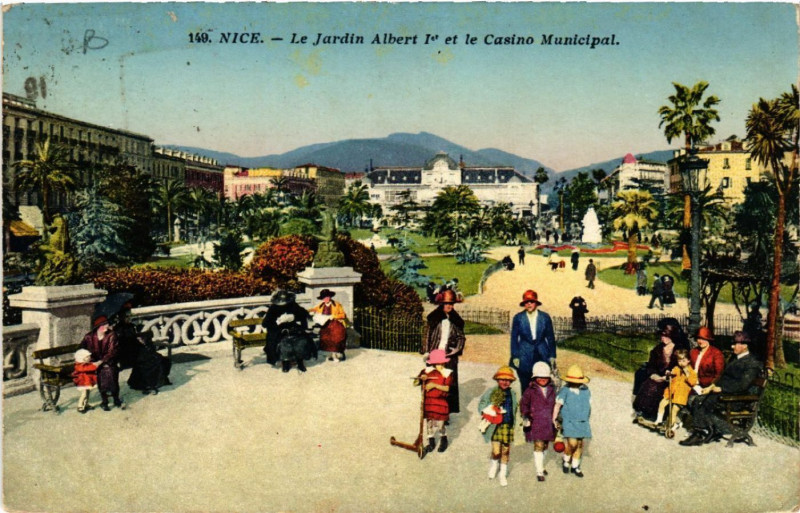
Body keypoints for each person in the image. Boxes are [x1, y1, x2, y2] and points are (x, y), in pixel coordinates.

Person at [680, 331, 763, 446]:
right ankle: (709, 429)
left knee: (701, 401)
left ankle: (699, 434)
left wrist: (721, 389)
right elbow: (723, 376)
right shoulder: (736, 358)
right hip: (726, 394)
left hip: (737, 399)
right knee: (699, 399)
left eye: (735, 344)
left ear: (744, 346)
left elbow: (743, 385)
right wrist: (711, 386)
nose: (732, 346)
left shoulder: (751, 363)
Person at [421, 289, 466, 414]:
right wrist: (426, 351)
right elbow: (427, 335)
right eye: (446, 304)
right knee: (433, 381)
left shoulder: (456, 320)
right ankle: (431, 410)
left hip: (449, 356)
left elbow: (461, 338)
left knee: (447, 383)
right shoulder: (433, 318)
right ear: (441, 304)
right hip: (434, 355)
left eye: (451, 304)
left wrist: (455, 350)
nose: (449, 306)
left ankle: (445, 412)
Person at [114, 302, 171, 395]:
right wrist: (135, 340)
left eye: (130, 316)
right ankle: (148, 385)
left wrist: (139, 338)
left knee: (158, 358)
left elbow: (134, 338)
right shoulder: (118, 329)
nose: (129, 318)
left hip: (136, 349)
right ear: (121, 317)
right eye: (127, 317)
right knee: (149, 362)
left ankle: (157, 382)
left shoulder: (131, 326)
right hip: (127, 353)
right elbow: (124, 343)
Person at [633, 323, 684, 421]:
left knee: (657, 388)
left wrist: (670, 375)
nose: (663, 338)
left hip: (673, 378)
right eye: (662, 335)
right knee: (649, 384)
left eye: (666, 336)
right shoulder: (657, 349)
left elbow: (681, 365)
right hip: (658, 376)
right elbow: (651, 365)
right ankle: (643, 411)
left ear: (671, 336)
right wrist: (653, 375)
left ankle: (657, 415)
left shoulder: (679, 349)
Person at [479, 365, 519, 487]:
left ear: (511, 381)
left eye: (508, 380)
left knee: (506, 450)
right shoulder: (491, 392)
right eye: (502, 379)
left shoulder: (513, 393)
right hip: (495, 425)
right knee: (496, 451)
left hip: (507, 425)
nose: (505, 382)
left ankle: (503, 473)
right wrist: (488, 410)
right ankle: (494, 466)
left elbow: (516, 408)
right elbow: (482, 404)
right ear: (497, 380)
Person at [510, 290, 557, 393]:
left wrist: (552, 355)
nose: (529, 304)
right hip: (524, 353)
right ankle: (526, 405)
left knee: (542, 379)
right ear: (524, 304)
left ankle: (540, 404)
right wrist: (515, 356)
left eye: (531, 301)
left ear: (536, 303)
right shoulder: (518, 318)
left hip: (542, 352)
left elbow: (550, 337)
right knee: (525, 381)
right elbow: (514, 338)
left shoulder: (545, 317)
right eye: (526, 302)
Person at [553, 364, 592, 478]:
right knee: (572, 443)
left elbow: (588, 406)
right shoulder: (565, 390)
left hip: (582, 421)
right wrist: (554, 419)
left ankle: (575, 466)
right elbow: (557, 405)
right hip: (569, 420)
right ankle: (566, 460)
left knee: (579, 444)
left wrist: (587, 417)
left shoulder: (586, 390)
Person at [520, 362, 557, 482]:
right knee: (539, 445)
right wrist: (526, 414)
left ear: (549, 378)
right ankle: (539, 471)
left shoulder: (552, 390)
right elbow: (523, 404)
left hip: (548, 423)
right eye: (539, 377)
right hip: (536, 422)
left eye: (545, 377)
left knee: (546, 445)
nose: (542, 380)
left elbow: (556, 405)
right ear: (535, 378)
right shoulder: (530, 391)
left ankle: (542, 466)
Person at [80, 314, 122, 411]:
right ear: (98, 327)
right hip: (94, 362)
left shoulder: (111, 335)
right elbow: (81, 349)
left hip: (109, 361)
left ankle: (115, 398)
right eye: (105, 324)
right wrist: (87, 358)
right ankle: (105, 401)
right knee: (101, 374)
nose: (108, 326)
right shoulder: (89, 337)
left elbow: (112, 352)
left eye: (107, 324)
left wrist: (101, 361)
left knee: (110, 372)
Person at [414, 349, 453, 455]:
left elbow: (447, 389)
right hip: (429, 401)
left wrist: (434, 385)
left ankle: (443, 439)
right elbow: (415, 382)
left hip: (440, 401)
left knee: (440, 423)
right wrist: (421, 379)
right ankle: (431, 441)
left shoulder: (447, 373)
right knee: (429, 422)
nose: (439, 365)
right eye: (437, 363)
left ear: (444, 362)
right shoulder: (427, 371)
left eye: (441, 363)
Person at [263, 290, 310, 366]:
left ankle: (298, 358)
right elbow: (265, 323)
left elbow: (304, 313)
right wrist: (277, 322)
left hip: (292, 328)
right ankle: (278, 359)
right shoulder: (273, 308)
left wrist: (294, 317)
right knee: (274, 340)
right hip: (277, 329)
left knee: (303, 337)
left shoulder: (292, 305)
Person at [653, 349, 697, 428]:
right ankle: (658, 421)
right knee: (662, 404)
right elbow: (671, 375)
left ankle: (671, 425)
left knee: (674, 410)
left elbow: (693, 382)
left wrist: (687, 374)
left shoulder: (692, 372)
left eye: (683, 361)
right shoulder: (677, 368)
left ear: (688, 360)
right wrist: (668, 374)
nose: (681, 363)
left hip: (681, 395)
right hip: (671, 392)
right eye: (679, 361)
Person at [309, 289, 348, 362]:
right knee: (326, 338)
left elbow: (343, 314)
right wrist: (311, 312)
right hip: (325, 324)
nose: (326, 299)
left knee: (337, 337)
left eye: (327, 297)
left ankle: (337, 354)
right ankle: (332, 354)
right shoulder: (320, 305)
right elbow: (313, 310)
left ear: (330, 297)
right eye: (324, 298)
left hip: (335, 323)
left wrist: (334, 316)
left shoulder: (337, 304)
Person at [689, 326, 725, 395]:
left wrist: (710, 386)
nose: (701, 341)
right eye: (699, 338)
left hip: (706, 386)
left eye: (704, 339)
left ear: (709, 339)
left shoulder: (716, 353)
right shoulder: (693, 351)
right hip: (691, 383)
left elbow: (719, 374)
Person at [71, 348, 98, 414]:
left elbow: (90, 366)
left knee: (87, 393)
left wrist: (94, 364)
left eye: (89, 356)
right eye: (87, 357)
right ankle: (80, 406)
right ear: (81, 358)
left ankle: (86, 404)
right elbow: (87, 368)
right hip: (82, 382)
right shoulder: (79, 365)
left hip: (87, 382)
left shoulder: (86, 364)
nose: (89, 358)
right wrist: (95, 365)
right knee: (84, 394)